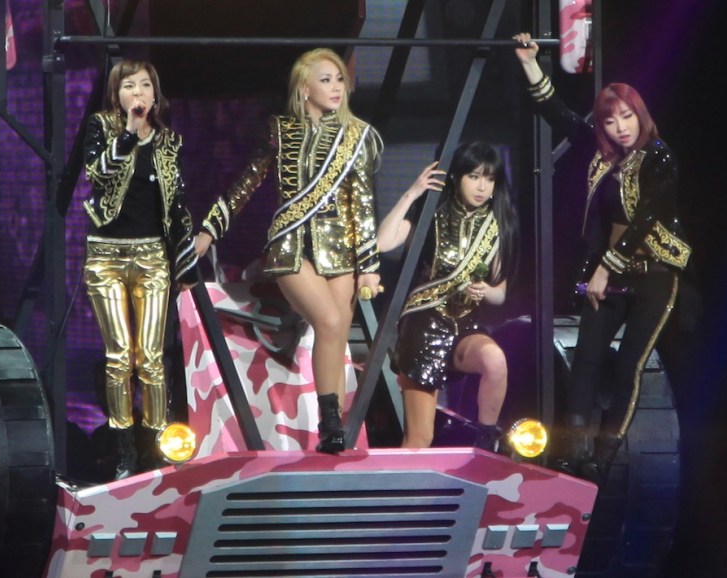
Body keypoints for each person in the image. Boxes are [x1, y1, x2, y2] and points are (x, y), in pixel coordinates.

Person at [513, 33, 693, 484]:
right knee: (587, 360)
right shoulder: (602, 155)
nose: (620, 128)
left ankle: (601, 458)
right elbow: (559, 115)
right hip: (609, 275)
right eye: (611, 121)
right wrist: (531, 64)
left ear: (640, 115)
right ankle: (574, 453)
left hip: (653, 276)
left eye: (627, 117)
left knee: (630, 365)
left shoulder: (659, 156)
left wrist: (603, 269)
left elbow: (645, 220)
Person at [194, 48, 384, 454]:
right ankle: (328, 422)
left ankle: (333, 430)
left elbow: (363, 206)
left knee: (336, 333)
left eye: (339, 79)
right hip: (291, 245)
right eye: (326, 79)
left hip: (342, 249)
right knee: (329, 322)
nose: (336, 87)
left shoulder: (358, 136)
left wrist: (369, 265)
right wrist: (209, 229)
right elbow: (246, 184)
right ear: (304, 87)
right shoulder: (279, 131)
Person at [83, 59, 199, 480]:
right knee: (118, 358)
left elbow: (177, 206)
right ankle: (124, 449)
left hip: (152, 256)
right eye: (129, 86)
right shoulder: (101, 127)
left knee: (150, 358)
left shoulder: (169, 141)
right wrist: (129, 134)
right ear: (117, 94)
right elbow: (97, 174)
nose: (139, 93)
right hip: (106, 256)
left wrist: (186, 264)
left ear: (155, 94)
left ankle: (155, 446)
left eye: (145, 85)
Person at [377, 141, 520, 451]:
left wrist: (486, 291)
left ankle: (486, 443)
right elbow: (383, 243)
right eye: (474, 176)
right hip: (424, 326)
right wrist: (412, 193)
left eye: (489, 178)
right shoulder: (432, 214)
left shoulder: (498, 226)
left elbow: (500, 295)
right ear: (456, 177)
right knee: (420, 439)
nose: (482, 187)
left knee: (495, 360)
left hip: (465, 325)